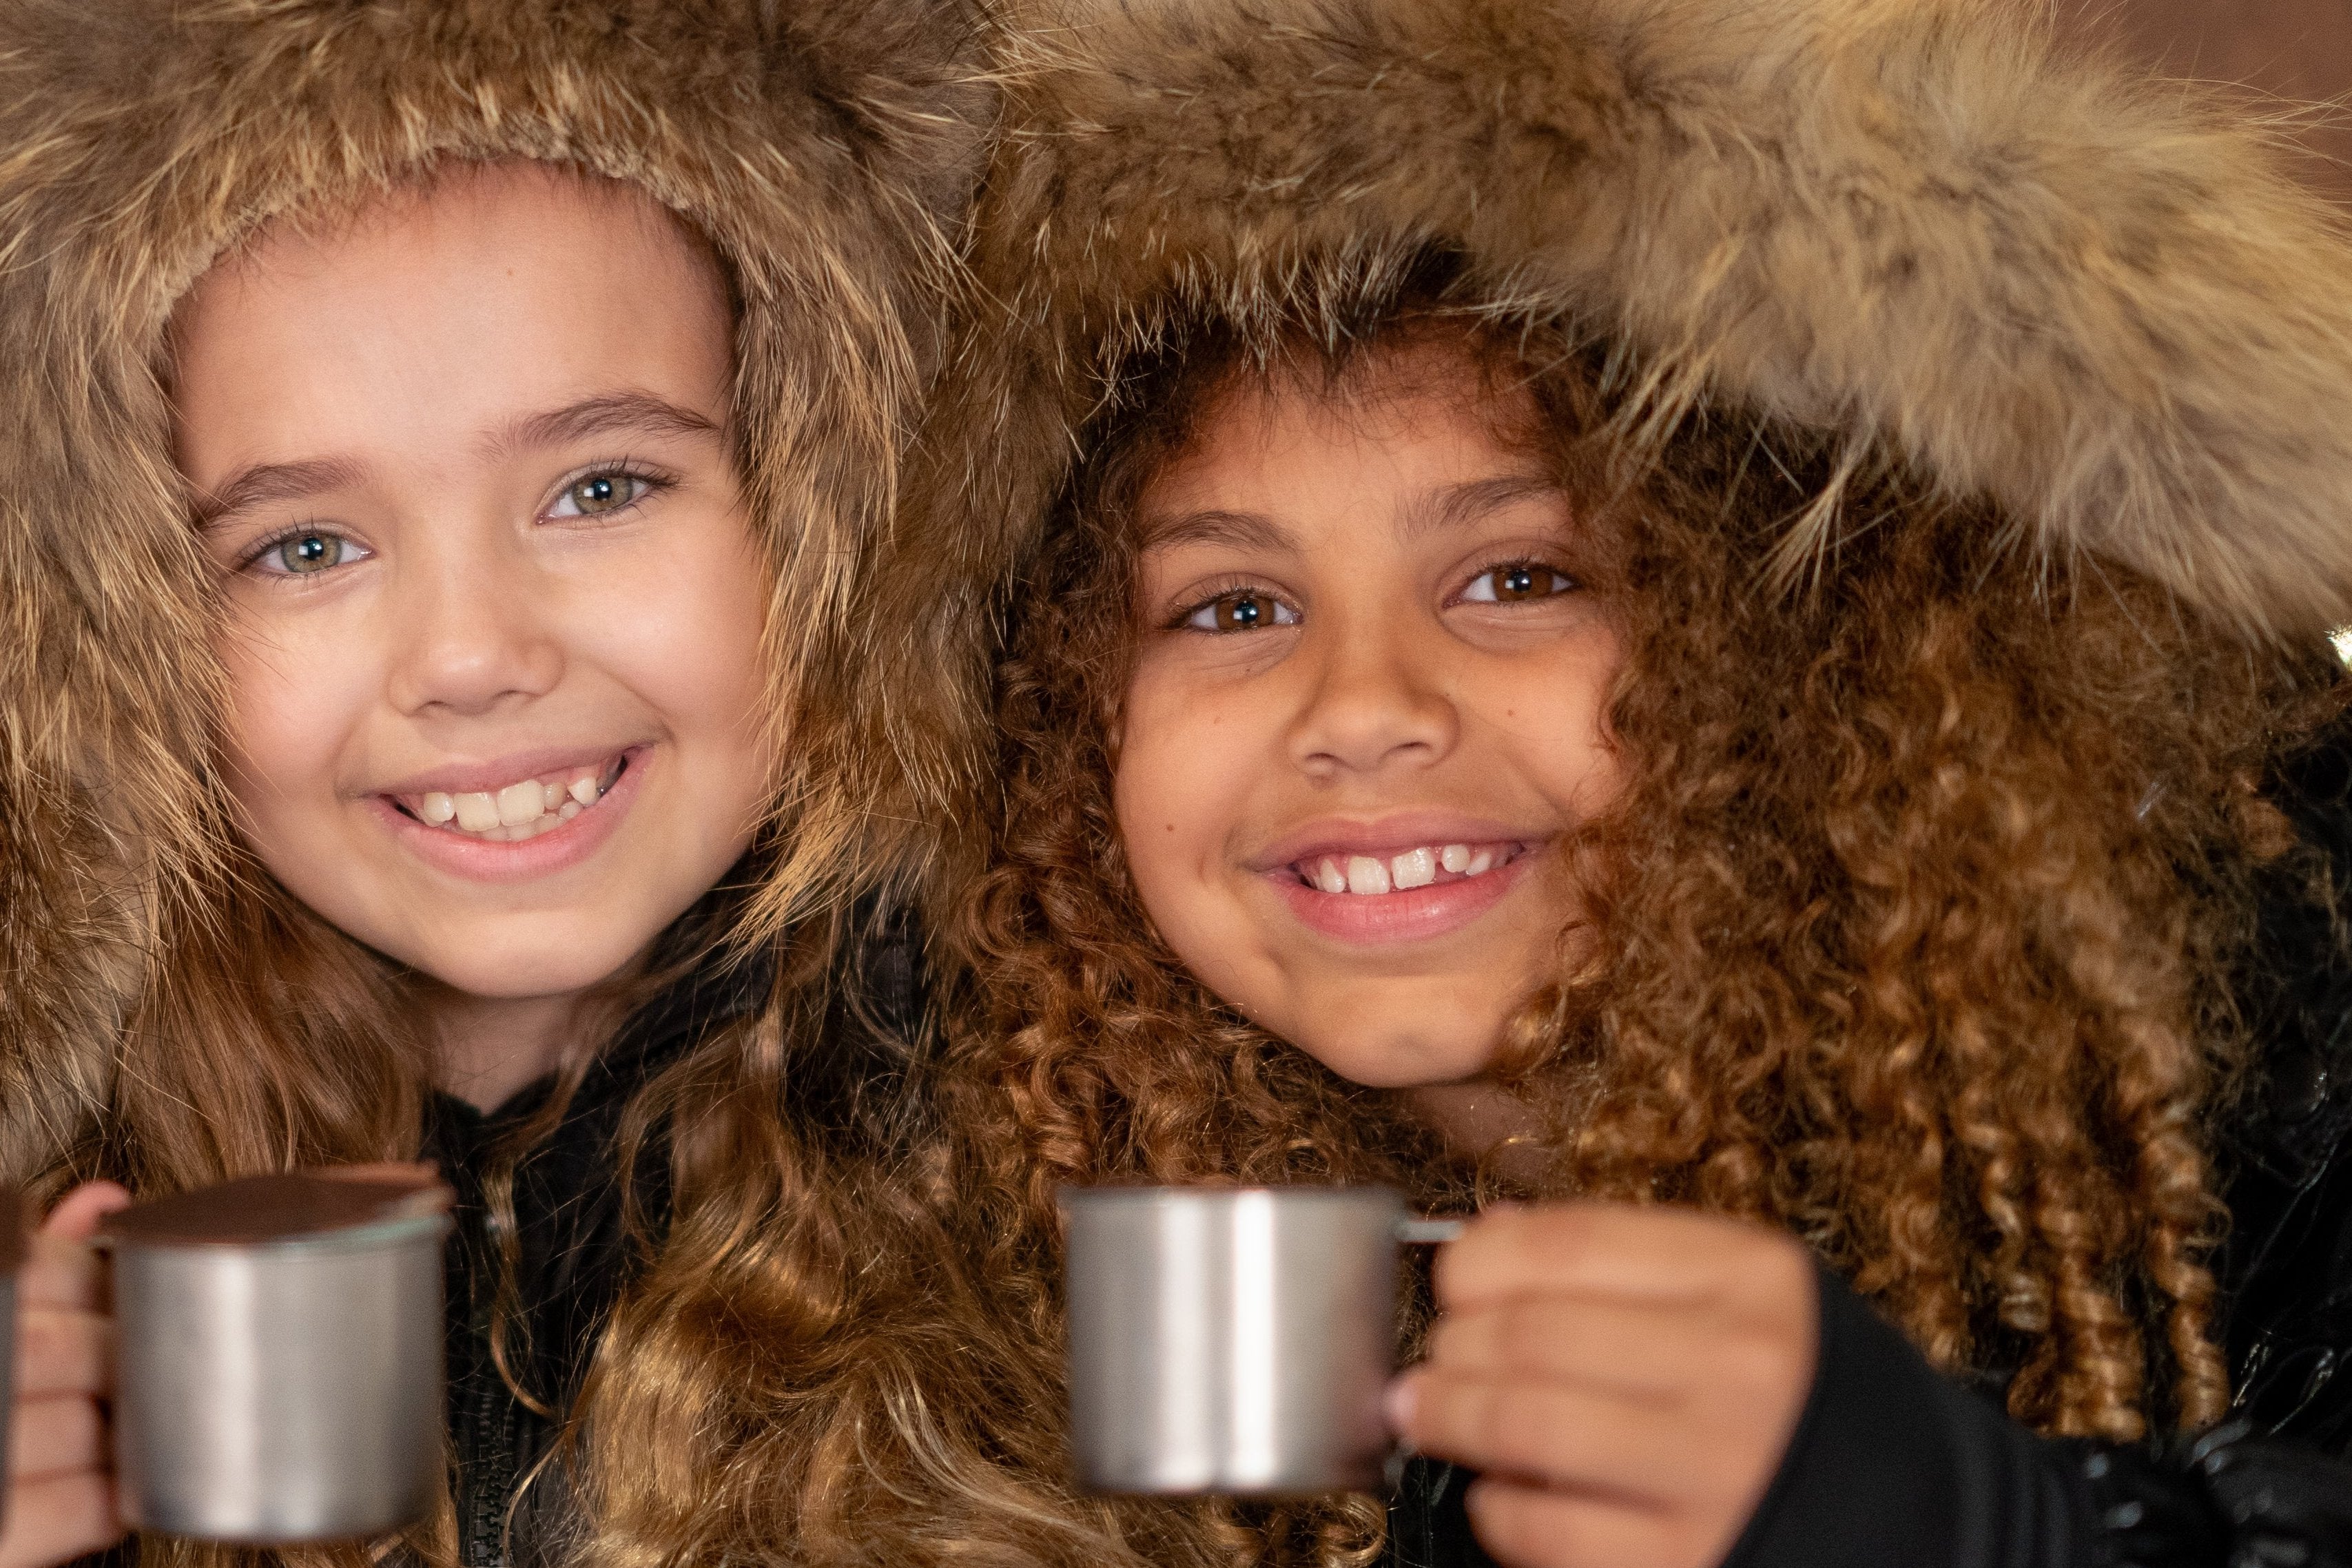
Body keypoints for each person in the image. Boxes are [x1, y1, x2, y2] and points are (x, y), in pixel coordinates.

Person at [857, 0, 2352, 1563]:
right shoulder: (954, 1204)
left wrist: (1993, 1530)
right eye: (1232, 609)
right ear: (1055, 734)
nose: (1362, 711)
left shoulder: (2264, 1085)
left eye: (1518, 579)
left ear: (1818, 647)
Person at [0, 2, 1013, 1565]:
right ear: (111, 639)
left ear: (832, 507)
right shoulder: (47, 1257)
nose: (469, 656)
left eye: (600, 487)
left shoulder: (1091, 1164)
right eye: (304, 546)